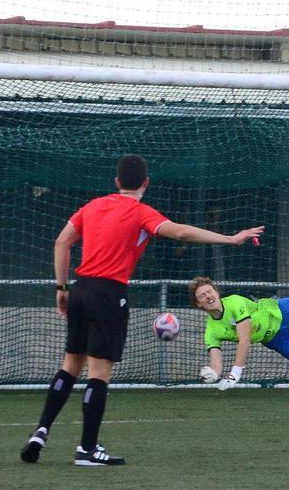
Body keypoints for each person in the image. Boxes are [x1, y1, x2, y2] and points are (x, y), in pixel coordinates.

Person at [20, 154, 264, 466]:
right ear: (146, 183)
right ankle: (87, 449)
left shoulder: (92, 206)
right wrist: (230, 239)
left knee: (70, 366)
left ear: (116, 181)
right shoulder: (140, 212)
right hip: (108, 294)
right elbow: (180, 232)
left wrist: (61, 287)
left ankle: (40, 432)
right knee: (98, 374)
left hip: (80, 289)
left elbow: (61, 242)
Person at [190, 277, 289, 385]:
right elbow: (216, 362)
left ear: (217, 293)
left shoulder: (234, 302)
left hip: (283, 312)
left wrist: (235, 374)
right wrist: (214, 374)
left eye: (210, 291)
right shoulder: (211, 332)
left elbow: (245, 339)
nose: (208, 296)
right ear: (198, 304)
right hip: (276, 339)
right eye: (202, 296)